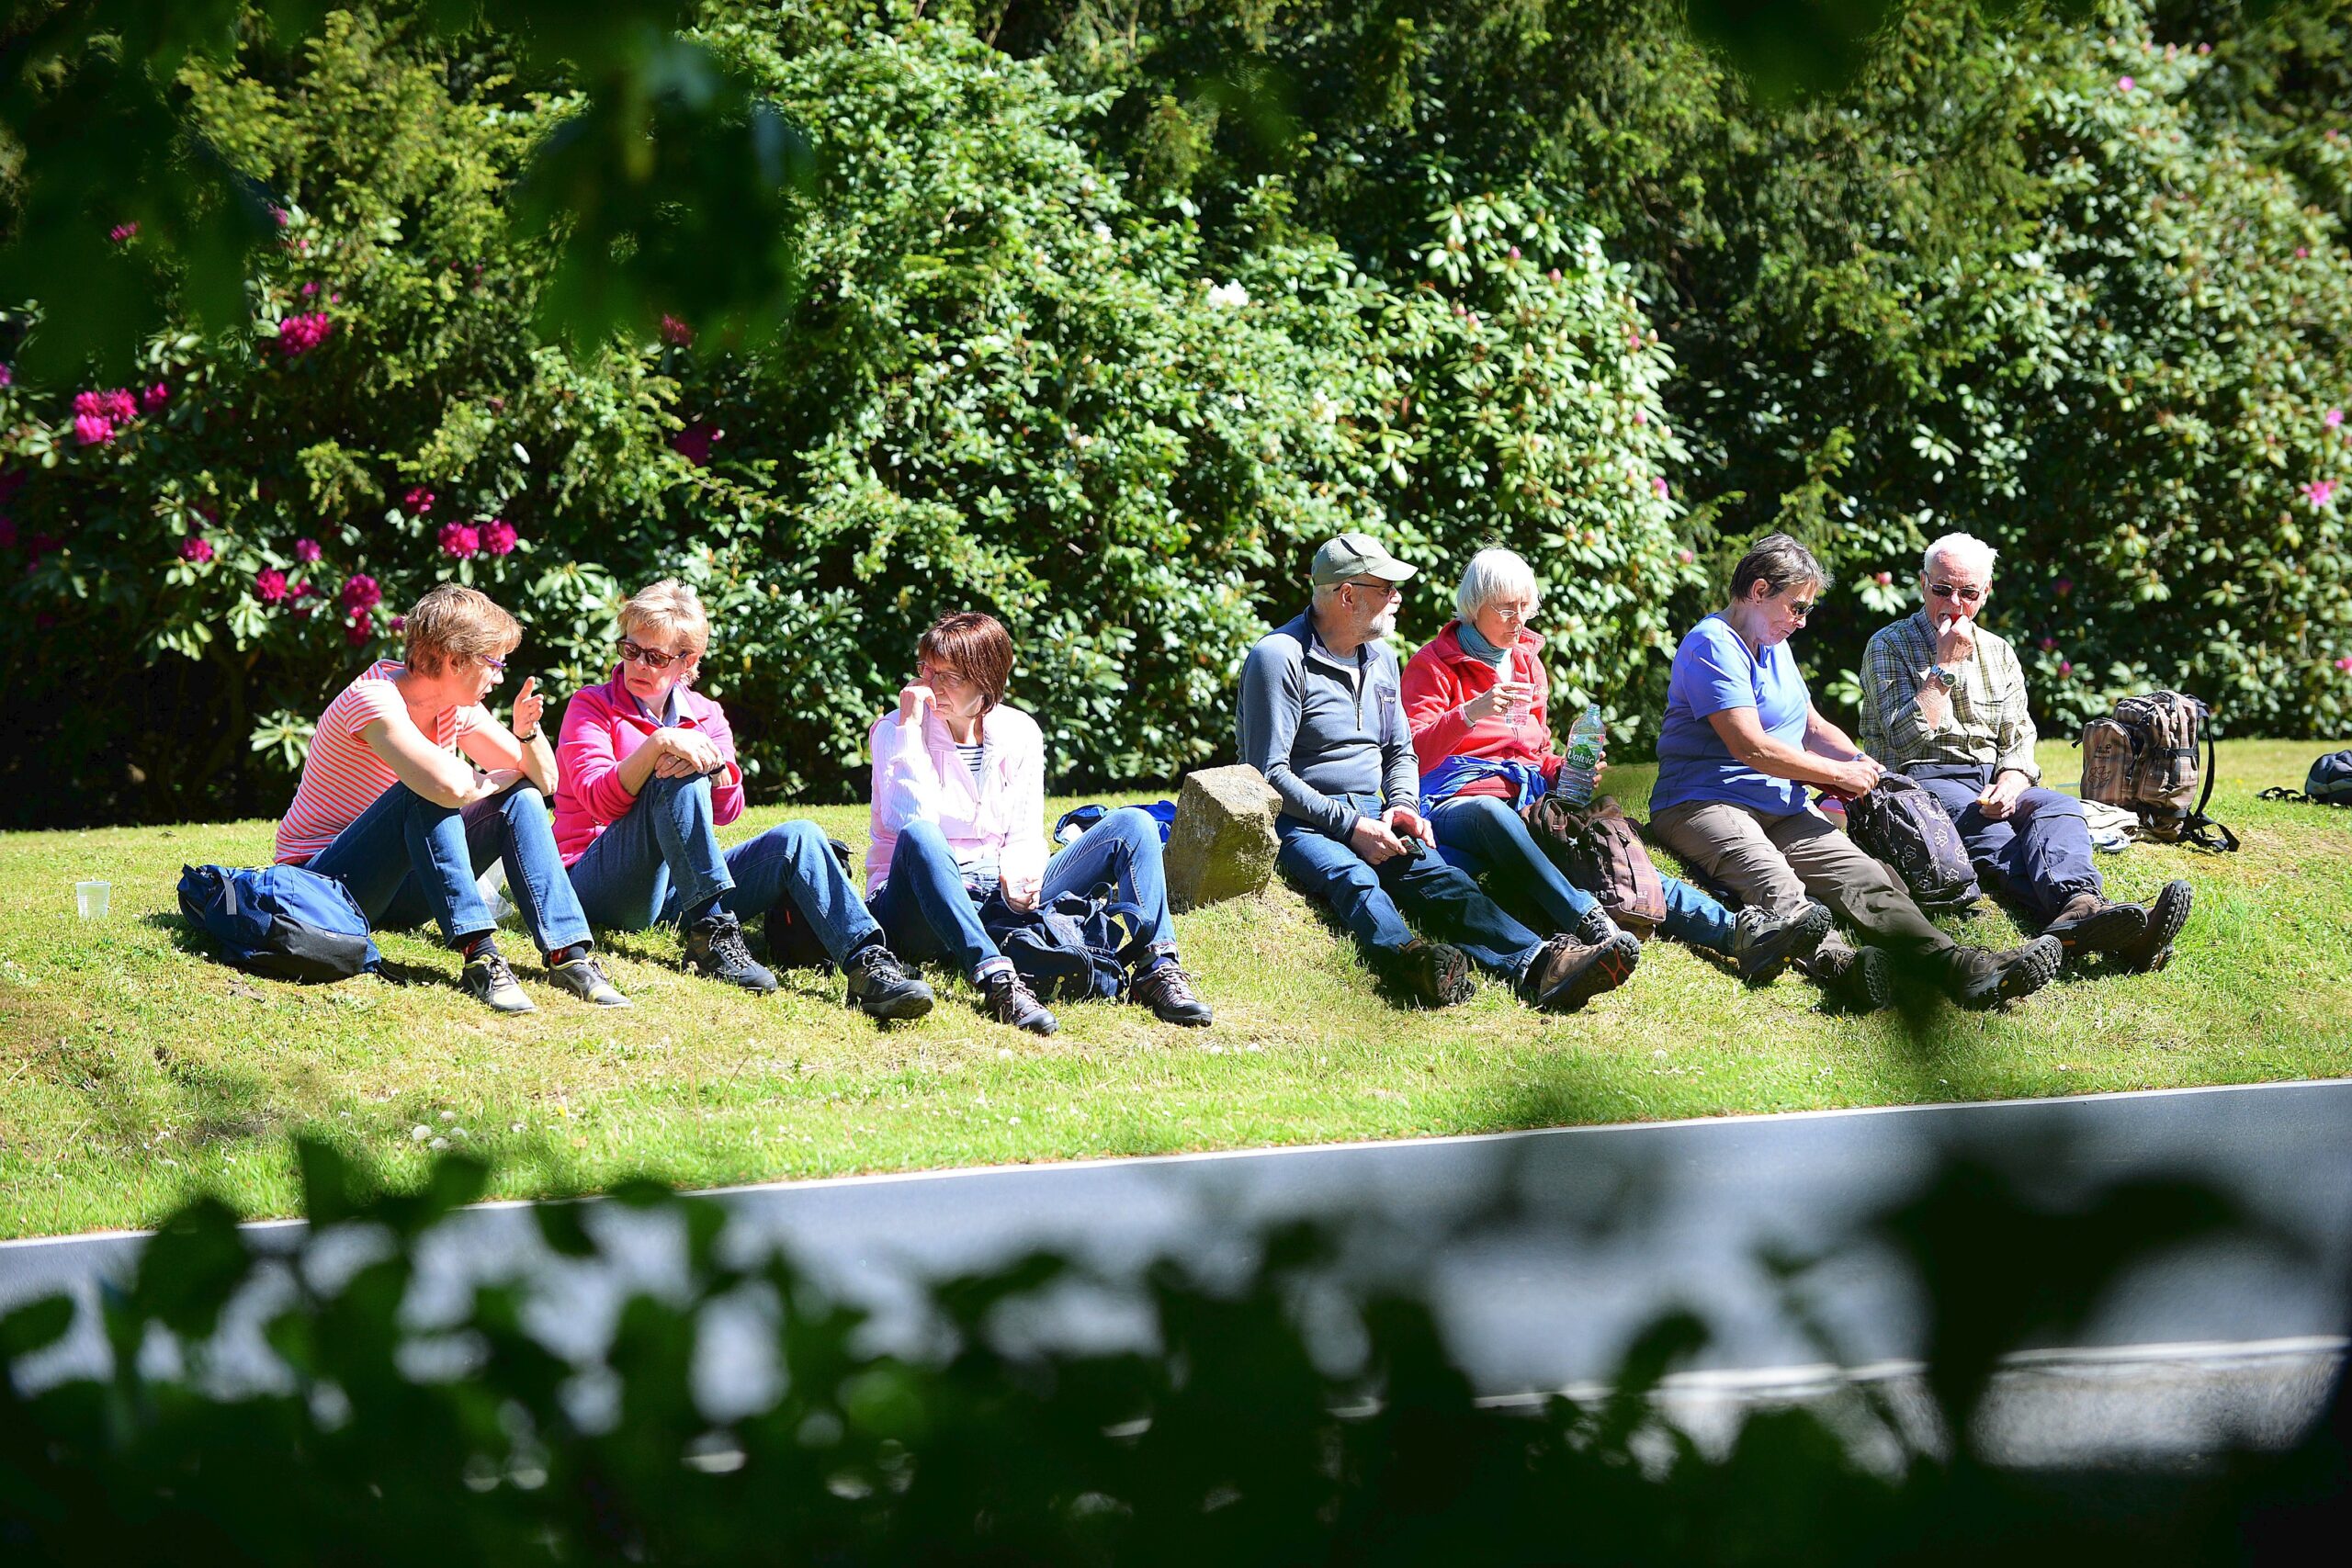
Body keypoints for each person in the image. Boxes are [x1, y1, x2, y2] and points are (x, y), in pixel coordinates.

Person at [1644, 534, 2063, 1010]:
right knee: (1776, 882)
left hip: (1777, 804)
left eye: (1806, 611)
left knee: (1866, 878)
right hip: (1702, 802)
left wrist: (1861, 765)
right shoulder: (1712, 645)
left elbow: (1810, 724)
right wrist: (1836, 775)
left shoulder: (1772, 641)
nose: (1801, 622)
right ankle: (1840, 966)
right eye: (1797, 608)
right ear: (1759, 591)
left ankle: (1958, 966)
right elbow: (1752, 747)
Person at [1238, 532, 1637, 1010]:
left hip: (1377, 810)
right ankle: (1413, 959)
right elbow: (1266, 774)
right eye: (1386, 588)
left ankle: (1541, 965)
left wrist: (1403, 806)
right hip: (1306, 822)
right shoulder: (1278, 657)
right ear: (1348, 595)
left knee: (1447, 882)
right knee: (1354, 879)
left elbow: (1401, 752)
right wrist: (1351, 826)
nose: (1397, 598)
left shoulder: (1382, 656)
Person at [1401, 547, 1832, 983]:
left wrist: (1564, 769)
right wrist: (1470, 713)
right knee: (1492, 813)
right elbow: (1413, 753)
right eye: (1506, 609)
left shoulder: (1528, 663)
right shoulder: (1433, 664)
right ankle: (1589, 920)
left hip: (1526, 799)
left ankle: (1738, 935)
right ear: (1474, 606)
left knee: (1612, 854)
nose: (1519, 619)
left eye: (1525, 607)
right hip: (1456, 801)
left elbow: (1534, 750)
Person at [553, 580, 934, 1019]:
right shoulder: (590, 706)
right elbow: (599, 802)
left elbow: (729, 810)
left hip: (678, 890)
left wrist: (713, 768)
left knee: (800, 836)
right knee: (672, 773)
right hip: (597, 879)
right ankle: (712, 934)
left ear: (687, 661)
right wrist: (660, 743)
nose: (638, 664)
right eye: (630, 650)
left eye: (655, 657)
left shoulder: (707, 714)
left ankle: (868, 964)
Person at [274, 583, 628, 1014]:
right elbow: (445, 787)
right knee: (424, 793)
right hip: (324, 886)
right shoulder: (373, 699)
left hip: (398, 890)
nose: (499, 677)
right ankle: (481, 955)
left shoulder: (454, 705)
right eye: (494, 663)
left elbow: (544, 782)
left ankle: (568, 955)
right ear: (453, 659)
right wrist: (484, 780)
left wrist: (526, 734)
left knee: (520, 800)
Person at [865, 611, 1213, 1033]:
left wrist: (1021, 871)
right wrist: (909, 729)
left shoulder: (1020, 732)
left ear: (986, 682)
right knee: (923, 835)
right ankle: (996, 979)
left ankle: (1157, 968)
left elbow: (1026, 831)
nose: (931, 686)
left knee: (1134, 825)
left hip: (993, 891)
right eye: (926, 670)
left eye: (949, 676)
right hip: (916, 899)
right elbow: (910, 825)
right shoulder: (895, 730)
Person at [1860, 533, 2191, 970]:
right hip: (1921, 778)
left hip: (1992, 778)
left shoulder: (2000, 652)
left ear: (1986, 592)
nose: (1954, 603)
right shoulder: (1888, 645)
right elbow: (1905, 739)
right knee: (1996, 836)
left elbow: (2019, 738)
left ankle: (2082, 907)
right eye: (1941, 590)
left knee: (2057, 808)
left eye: (1968, 593)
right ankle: (2106, 928)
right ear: (1923, 583)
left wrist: (2013, 779)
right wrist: (1946, 666)